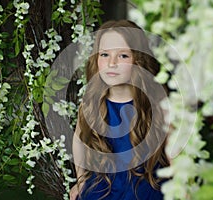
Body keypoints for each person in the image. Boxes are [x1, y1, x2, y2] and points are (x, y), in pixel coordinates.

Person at [69, 19, 169, 200]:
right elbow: (79, 141)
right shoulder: (91, 102)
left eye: (123, 56)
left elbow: (175, 156)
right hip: (103, 192)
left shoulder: (157, 104)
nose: (112, 63)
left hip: (146, 192)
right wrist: (81, 180)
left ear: (138, 60)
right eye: (105, 55)